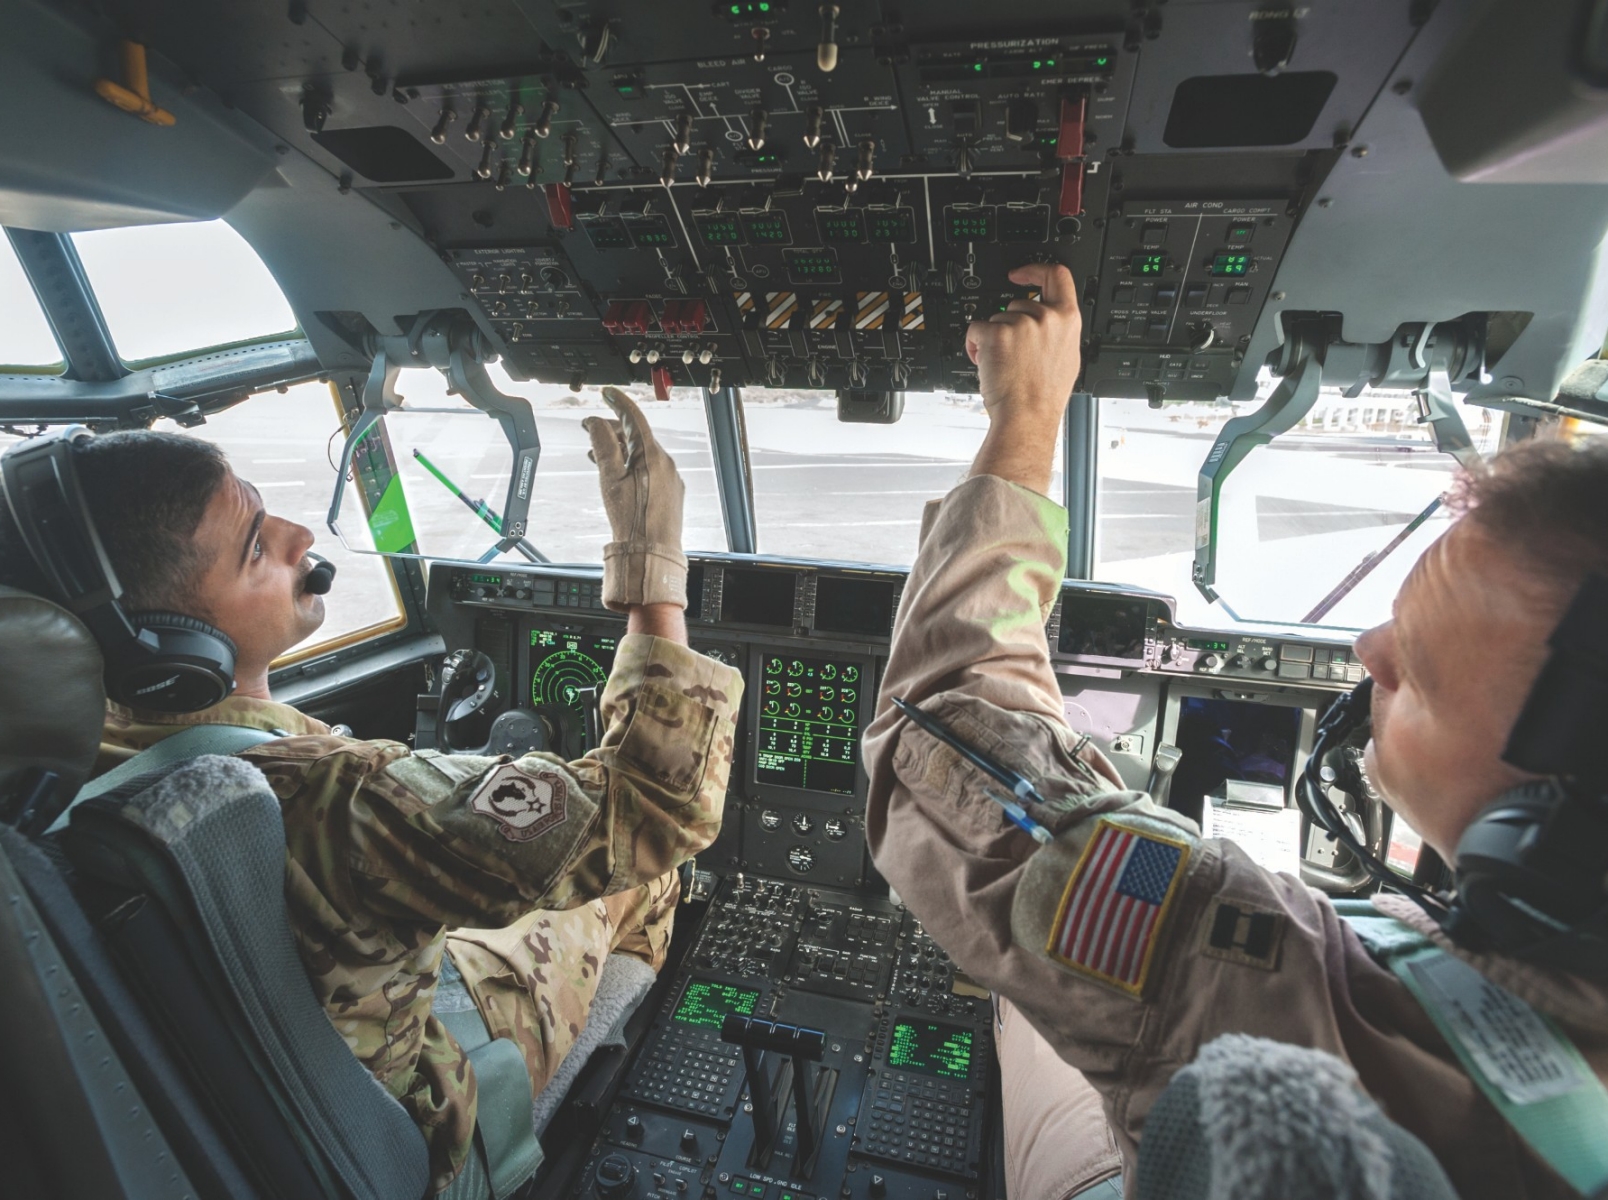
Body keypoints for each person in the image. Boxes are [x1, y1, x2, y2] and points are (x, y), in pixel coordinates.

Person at [862, 262, 1608, 1200]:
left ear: (1554, 827)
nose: (1367, 650)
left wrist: (1026, 415)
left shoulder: (1288, 998)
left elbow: (939, 738)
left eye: (1413, 670)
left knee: (1028, 1007)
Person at [0, 387, 739, 1194]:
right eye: (255, 546)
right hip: (418, 1121)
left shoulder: (50, 769)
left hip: (270, 1079)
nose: (298, 535)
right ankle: (620, 1083)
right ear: (170, 646)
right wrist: (653, 569)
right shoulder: (335, 796)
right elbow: (653, 806)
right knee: (639, 874)